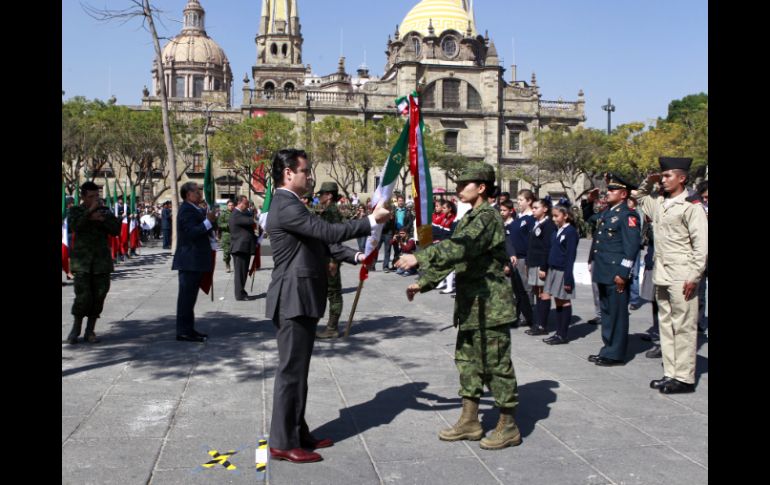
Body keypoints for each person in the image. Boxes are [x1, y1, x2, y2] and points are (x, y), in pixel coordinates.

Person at [265, 149, 389, 463]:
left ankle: (298, 431)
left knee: (299, 372)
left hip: (301, 296)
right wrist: (371, 220)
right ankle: (281, 442)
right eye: (305, 171)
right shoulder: (284, 204)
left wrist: (357, 256)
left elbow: (324, 243)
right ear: (288, 173)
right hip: (292, 298)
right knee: (291, 372)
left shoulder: (294, 205)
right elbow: (327, 231)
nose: (310, 176)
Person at [396, 164, 522, 451]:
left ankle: (508, 425)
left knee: (496, 365)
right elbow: (458, 258)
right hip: (470, 305)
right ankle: (470, 420)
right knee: (468, 363)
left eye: (465, 183)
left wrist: (421, 257)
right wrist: (425, 283)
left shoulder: (487, 217)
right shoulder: (470, 217)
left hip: (490, 305)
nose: (458, 187)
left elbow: (460, 248)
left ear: (481, 187)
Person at [635, 157, 708, 394]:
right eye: (662, 176)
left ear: (682, 178)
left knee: (684, 326)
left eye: (667, 176)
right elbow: (640, 197)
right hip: (662, 274)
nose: (663, 180)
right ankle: (671, 372)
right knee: (666, 325)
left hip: (682, 275)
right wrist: (650, 180)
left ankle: (684, 378)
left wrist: (694, 276)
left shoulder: (691, 206)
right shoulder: (661, 203)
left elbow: (701, 245)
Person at [586, 174, 641, 365]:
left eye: (612, 190)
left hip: (616, 273)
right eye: (608, 189)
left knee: (617, 314)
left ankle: (615, 353)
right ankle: (607, 348)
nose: (608, 193)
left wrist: (624, 274)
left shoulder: (628, 215)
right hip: (603, 271)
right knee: (607, 313)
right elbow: (590, 219)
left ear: (624, 194)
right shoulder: (608, 212)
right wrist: (589, 202)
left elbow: (631, 247)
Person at [66, 182, 122, 344]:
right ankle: (76, 328)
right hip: (82, 262)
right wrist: (90, 213)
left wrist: (101, 220)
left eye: (97, 196)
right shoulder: (76, 210)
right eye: (91, 197)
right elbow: (74, 226)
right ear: (83, 197)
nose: (95, 199)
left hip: (101, 262)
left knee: (99, 297)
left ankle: (90, 330)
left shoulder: (104, 211)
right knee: (82, 297)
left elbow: (116, 230)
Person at [171, 182, 218, 343]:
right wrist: (207, 222)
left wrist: (211, 219)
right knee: (186, 298)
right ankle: (183, 331)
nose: (200, 195)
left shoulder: (197, 209)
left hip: (195, 260)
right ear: (188, 195)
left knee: (190, 299)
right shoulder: (186, 210)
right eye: (197, 193)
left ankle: (189, 329)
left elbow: (207, 227)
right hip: (189, 261)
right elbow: (192, 232)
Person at [540, 203, 579, 345]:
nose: (554, 219)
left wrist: (568, 279)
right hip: (553, 269)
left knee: (564, 300)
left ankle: (563, 334)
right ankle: (558, 332)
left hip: (563, 271)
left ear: (566, 216)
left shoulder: (570, 232)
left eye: (556, 216)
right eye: (553, 216)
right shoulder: (557, 231)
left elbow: (570, 257)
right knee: (558, 300)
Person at [315, 182, 347, 339]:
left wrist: (334, 261)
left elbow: (335, 238)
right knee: (327, 291)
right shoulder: (327, 211)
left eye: (322, 194)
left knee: (333, 292)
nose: (319, 196)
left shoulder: (332, 212)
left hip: (330, 258)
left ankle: (332, 328)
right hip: (325, 257)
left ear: (329, 195)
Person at [523, 198, 556, 336]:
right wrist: (527, 262)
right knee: (537, 292)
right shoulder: (536, 223)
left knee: (543, 293)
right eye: (533, 208)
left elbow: (547, 248)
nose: (534, 210)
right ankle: (538, 322)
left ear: (545, 209)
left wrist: (544, 267)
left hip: (541, 263)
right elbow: (531, 246)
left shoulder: (548, 225)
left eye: (536, 207)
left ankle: (543, 325)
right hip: (533, 262)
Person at [229, 195, 258, 301]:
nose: (247, 206)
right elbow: (251, 221)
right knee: (240, 273)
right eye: (246, 204)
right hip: (239, 248)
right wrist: (256, 214)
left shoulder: (241, 213)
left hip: (243, 247)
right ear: (240, 203)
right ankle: (240, 294)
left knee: (243, 272)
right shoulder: (236, 214)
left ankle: (242, 292)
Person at [218, 200, 234, 273]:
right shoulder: (223, 214)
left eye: (232, 205)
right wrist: (227, 225)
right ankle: (227, 265)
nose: (231, 206)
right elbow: (219, 224)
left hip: (235, 236)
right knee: (226, 253)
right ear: (227, 206)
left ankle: (237, 266)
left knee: (236, 252)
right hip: (226, 236)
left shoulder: (236, 213)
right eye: (229, 205)